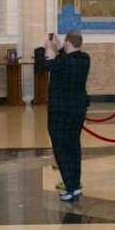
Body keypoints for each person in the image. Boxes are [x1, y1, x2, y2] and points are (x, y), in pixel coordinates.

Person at [34, 31, 91, 201]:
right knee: (73, 146)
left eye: (65, 43)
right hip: (78, 109)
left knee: (60, 147)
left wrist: (41, 45)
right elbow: (67, 59)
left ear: (68, 43)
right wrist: (59, 47)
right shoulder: (85, 58)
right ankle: (75, 183)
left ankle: (71, 187)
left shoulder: (62, 61)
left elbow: (41, 65)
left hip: (60, 110)